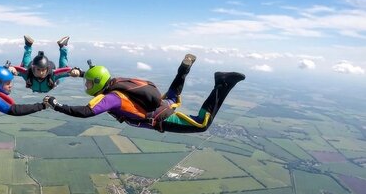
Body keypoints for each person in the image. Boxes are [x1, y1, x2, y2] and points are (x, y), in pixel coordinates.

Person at [43, 55, 245, 133]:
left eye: (88, 83)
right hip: (159, 104)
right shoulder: (115, 83)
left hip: (159, 116)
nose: (87, 86)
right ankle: (183, 69)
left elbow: (86, 112)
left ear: (97, 84)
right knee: (173, 95)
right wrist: (80, 74)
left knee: (201, 124)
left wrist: (56, 104)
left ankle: (222, 83)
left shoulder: (112, 98)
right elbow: (97, 75)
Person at [8, 35, 82, 93]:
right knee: (25, 66)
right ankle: (62, 46)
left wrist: (75, 71)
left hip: (50, 80)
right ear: (33, 68)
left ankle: (28, 45)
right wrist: (10, 69)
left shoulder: (53, 75)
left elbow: (67, 71)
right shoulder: (28, 74)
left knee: (63, 69)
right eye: (38, 69)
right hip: (33, 73)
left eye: (43, 70)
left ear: (47, 69)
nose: (41, 72)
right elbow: (14, 70)